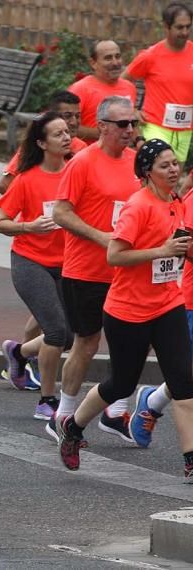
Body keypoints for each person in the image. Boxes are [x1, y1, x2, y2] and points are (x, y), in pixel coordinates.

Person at [53, 139, 193, 480]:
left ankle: (191, 461)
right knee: (121, 384)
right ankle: (73, 427)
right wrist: (159, 251)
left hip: (167, 304)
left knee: (185, 382)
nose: (173, 170)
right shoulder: (138, 206)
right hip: (127, 310)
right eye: (164, 165)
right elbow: (114, 255)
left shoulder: (176, 203)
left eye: (175, 163)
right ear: (147, 172)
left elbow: (179, 250)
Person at [51, 95, 141, 442]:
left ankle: (115, 412)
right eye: (122, 124)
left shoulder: (136, 163)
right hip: (87, 270)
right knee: (86, 343)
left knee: (136, 342)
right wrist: (101, 237)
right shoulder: (83, 162)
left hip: (128, 271)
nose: (129, 130)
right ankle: (63, 413)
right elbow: (61, 213)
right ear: (102, 126)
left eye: (133, 123)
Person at [0, 112, 76, 421]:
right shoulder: (28, 179)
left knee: (70, 337)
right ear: (42, 143)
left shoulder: (76, 173)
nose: (66, 137)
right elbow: (1, 223)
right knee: (56, 332)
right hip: (31, 262)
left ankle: (19, 352)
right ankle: (47, 399)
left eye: (67, 132)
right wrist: (29, 227)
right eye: (58, 134)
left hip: (69, 263)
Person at [123, 3, 193, 160]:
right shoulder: (151, 55)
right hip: (155, 126)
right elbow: (123, 81)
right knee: (158, 171)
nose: (185, 32)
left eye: (188, 27)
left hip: (185, 129)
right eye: (179, 27)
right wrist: (132, 109)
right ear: (166, 27)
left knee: (172, 178)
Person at [0, 91, 88, 196]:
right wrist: (36, 204)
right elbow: (4, 186)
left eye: (78, 116)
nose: (74, 122)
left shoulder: (82, 147)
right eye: (67, 116)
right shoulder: (39, 143)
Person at [68, 40, 137, 143]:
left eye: (117, 56)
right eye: (108, 58)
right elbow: (65, 125)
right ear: (93, 63)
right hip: (87, 154)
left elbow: (130, 124)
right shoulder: (80, 89)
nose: (115, 62)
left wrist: (139, 140)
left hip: (120, 155)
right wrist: (105, 132)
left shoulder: (129, 87)